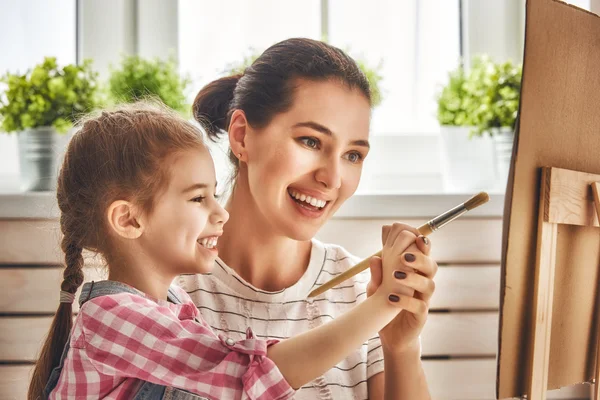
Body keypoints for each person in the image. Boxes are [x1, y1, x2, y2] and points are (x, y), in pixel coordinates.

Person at [27, 103, 420, 400]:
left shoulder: (174, 304)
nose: (221, 212)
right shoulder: (112, 317)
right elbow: (248, 375)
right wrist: (383, 304)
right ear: (129, 220)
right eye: (199, 198)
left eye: (214, 194)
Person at [182, 37, 438, 399]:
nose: (332, 179)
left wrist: (402, 348)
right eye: (311, 142)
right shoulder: (166, 286)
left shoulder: (365, 293)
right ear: (242, 137)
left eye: (352, 155)